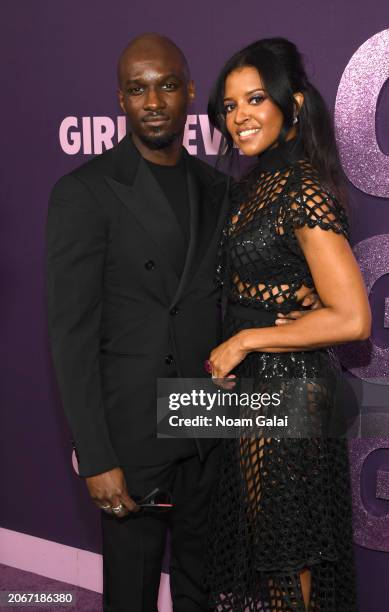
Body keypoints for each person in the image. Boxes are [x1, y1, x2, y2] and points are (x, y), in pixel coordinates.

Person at [46, 33, 231, 612]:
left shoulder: (220, 188)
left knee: (204, 590)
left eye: (167, 86)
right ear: (120, 101)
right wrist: (96, 457)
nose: (153, 101)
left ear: (190, 92)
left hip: (208, 427)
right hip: (132, 441)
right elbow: (71, 337)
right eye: (138, 89)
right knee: (131, 596)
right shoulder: (85, 192)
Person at [204, 38, 371, 611]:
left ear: (293, 105)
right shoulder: (251, 187)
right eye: (229, 106)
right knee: (268, 555)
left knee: (288, 558)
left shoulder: (302, 188)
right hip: (258, 390)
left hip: (292, 390)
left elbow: (353, 318)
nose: (239, 116)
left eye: (254, 98)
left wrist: (248, 339)